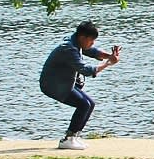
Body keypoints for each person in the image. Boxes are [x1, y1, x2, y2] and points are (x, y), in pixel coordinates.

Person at [40, 21, 121, 150]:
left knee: (90, 104)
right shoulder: (68, 49)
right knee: (84, 105)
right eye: (91, 40)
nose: (92, 43)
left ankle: (74, 137)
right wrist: (107, 64)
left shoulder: (75, 42)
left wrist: (109, 56)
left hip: (64, 82)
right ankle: (68, 139)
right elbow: (86, 70)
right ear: (83, 37)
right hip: (53, 85)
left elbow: (92, 51)